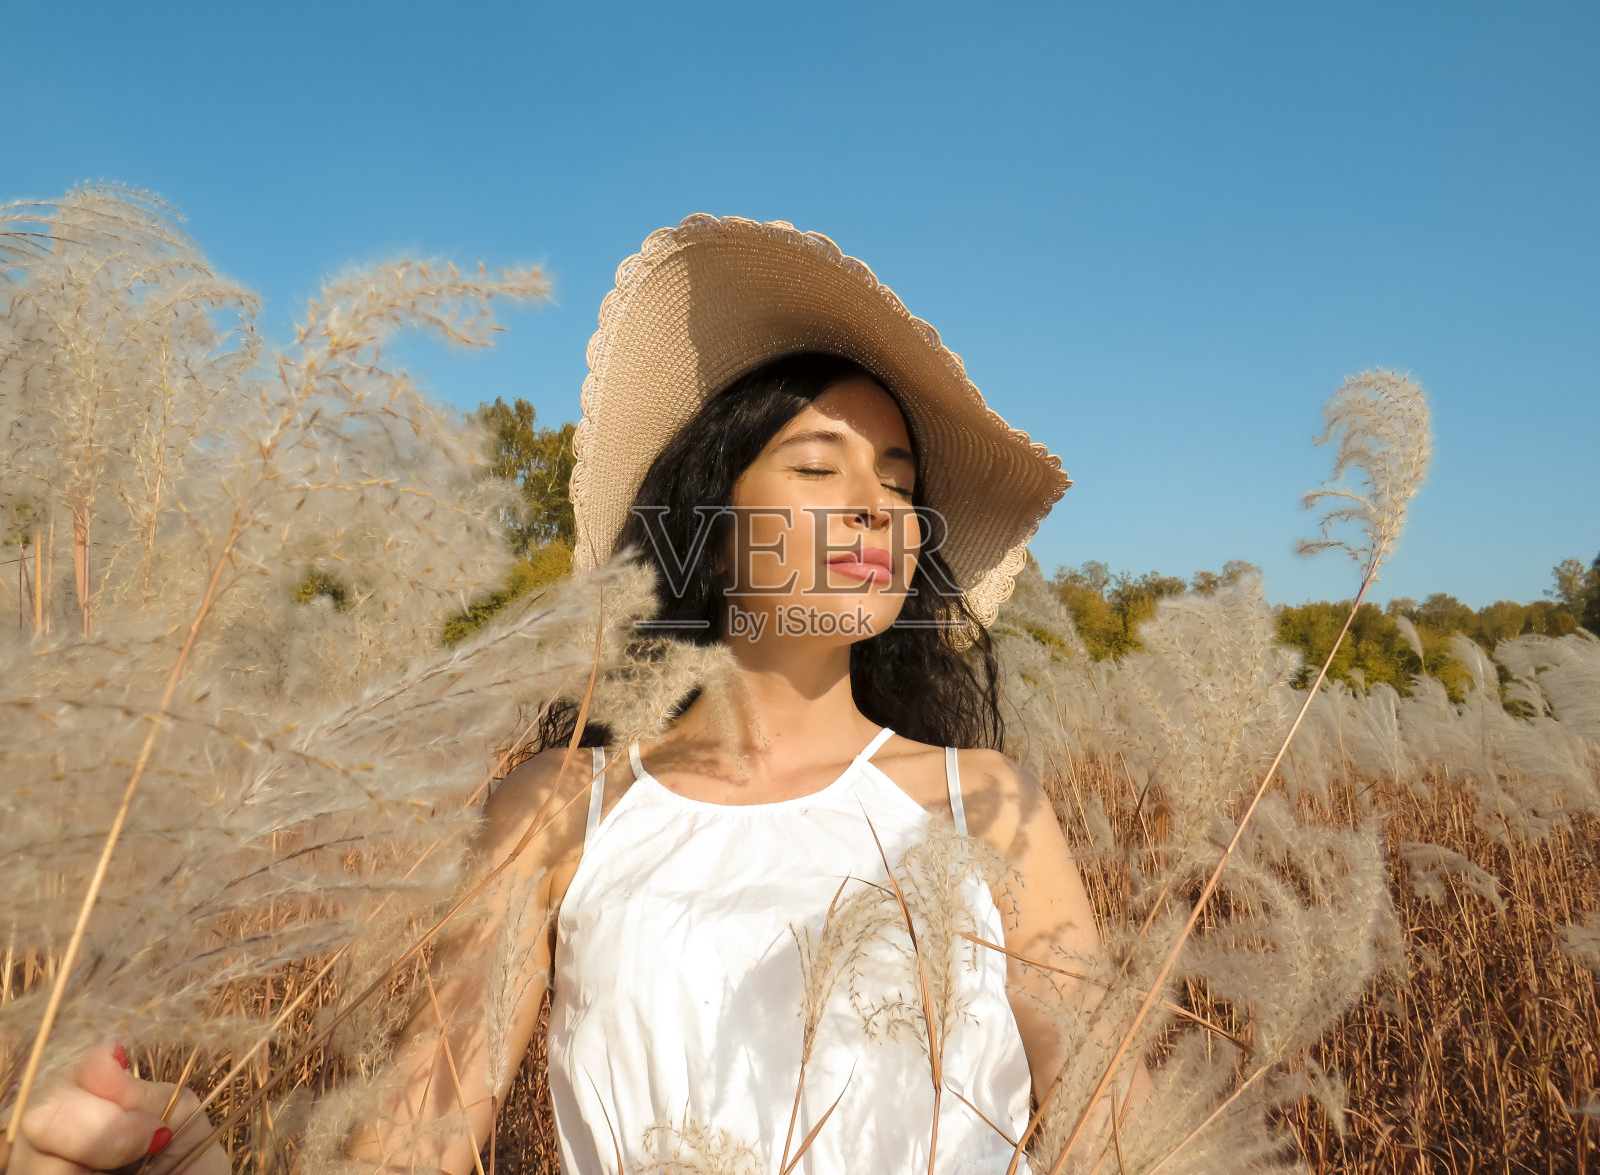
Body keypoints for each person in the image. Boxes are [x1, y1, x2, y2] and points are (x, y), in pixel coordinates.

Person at [5, 216, 1150, 1174]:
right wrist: (192, 1157)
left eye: (899, 485)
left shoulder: (981, 799)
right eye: (816, 466)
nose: (873, 507)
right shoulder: (566, 807)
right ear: (706, 539)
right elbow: (418, 1127)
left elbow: (1116, 1127)